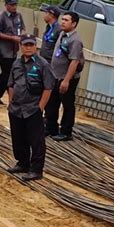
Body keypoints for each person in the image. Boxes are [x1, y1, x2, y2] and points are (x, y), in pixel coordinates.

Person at [7, 34, 54, 181]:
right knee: (18, 138)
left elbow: (48, 88)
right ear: (21, 46)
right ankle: (23, 163)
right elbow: (10, 84)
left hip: (32, 109)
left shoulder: (42, 65)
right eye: (25, 45)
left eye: (31, 45)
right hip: (16, 108)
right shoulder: (16, 63)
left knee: (36, 141)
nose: (28, 48)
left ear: (35, 46)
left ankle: (36, 170)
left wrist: (40, 108)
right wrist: (11, 102)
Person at [45, 11, 85, 141]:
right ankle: (51, 127)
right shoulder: (62, 34)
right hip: (55, 75)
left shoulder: (75, 41)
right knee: (51, 103)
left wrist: (66, 80)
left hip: (67, 78)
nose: (63, 22)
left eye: (66, 20)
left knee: (67, 104)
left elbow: (74, 61)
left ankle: (66, 131)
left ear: (74, 24)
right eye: (62, 19)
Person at [0, 0, 25, 105]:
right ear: (6, 5)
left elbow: (21, 29)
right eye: (12, 5)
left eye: (15, 4)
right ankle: (1, 95)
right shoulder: (1, 17)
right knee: (8, 73)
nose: (14, 7)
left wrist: (21, 38)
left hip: (14, 50)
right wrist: (11, 38)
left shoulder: (18, 16)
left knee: (7, 74)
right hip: (4, 50)